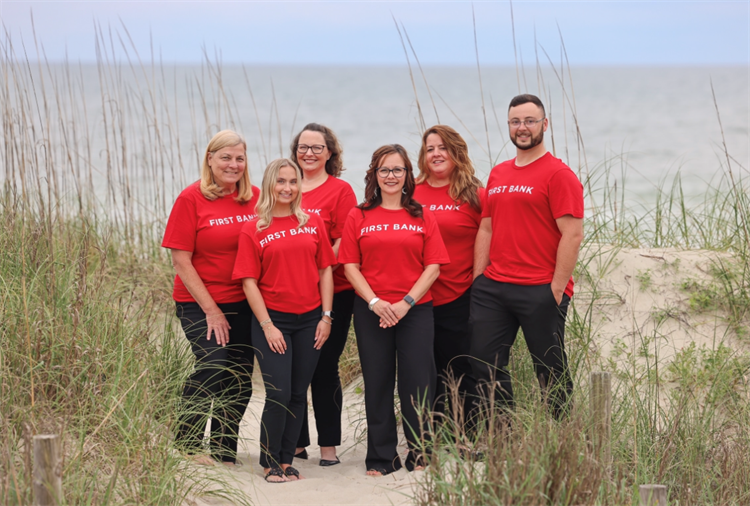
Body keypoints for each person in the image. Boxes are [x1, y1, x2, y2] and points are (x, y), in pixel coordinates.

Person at [470, 94, 584, 419]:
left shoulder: (558, 175)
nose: (522, 128)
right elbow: (487, 229)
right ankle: (503, 436)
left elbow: (572, 235)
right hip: (494, 287)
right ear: (509, 125)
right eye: (516, 121)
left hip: (540, 289)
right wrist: (479, 279)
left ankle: (562, 438)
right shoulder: (499, 173)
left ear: (544, 125)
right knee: (483, 362)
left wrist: (556, 289)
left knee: (549, 368)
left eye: (530, 121)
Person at [339, 144, 449, 476]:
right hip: (372, 310)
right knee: (378, 382)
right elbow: (349, 265)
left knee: (418, 382)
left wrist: (405, 303)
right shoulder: (358, 214)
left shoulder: (422, 214)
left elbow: (433, 267)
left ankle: (420, 452)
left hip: (414, 310)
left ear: (407, 176)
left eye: (397, 170)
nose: (391, 176)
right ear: (374, 174)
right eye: (384, 170)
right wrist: (375, 302)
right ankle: (381, 458)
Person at [232, 158, 336, 483]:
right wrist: (267, 325)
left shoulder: (312, 222)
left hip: (310, 321)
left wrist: (327, 317)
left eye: (293, 181)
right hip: (272, 321)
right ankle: (268, 460)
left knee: (297, 392)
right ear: (269, 185)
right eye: (281, 182)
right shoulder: (254, 227)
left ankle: (287, 459)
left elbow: (325, 271)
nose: (288, 188)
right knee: (277, 392)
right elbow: (249, 281)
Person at [162, 130, 259, 466]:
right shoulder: (191, 198)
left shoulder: (256, 198)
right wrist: (211, 310)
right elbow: (180, 260)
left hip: (244, 302)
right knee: (213, 364)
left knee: (240, 375)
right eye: (226, 157)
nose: (233, 165)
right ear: (210, 159)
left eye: (239, 158)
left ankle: (222, 447)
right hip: (198, 302)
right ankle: (187, 445)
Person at [290, 123, 357, 466]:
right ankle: (297, 444)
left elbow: (343, 239)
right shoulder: (286, 186)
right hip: (291, 292)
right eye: (303, 146)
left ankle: (328, 447)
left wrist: (314, 268)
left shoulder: (340, 190)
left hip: (336, 290)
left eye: (317, 147)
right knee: (294, 369)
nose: (309, 153)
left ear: (330, 153)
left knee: (324, 367)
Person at [414, 125, 483, 426]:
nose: (436, 154)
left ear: (456, 151)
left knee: (460, 368)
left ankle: (466, 433)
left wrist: (479, 286)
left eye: (442, 147)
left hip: (460, 294)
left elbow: (491, 239)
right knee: (423, 369)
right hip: (417, 297)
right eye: (430, 149)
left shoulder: (475, 195)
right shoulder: (410, 192)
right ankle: (430, 431)